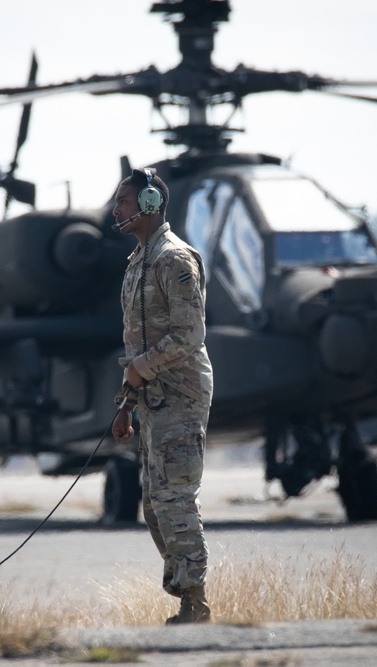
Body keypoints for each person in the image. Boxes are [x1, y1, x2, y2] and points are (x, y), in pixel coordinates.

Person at [111, 167, 214, 624]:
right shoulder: (138, 263)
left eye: (125, 200)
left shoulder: (175, 260)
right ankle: (187, 595)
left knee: (175, 500)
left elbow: (189, 335)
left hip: (181, 396)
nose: (117, 209)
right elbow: (138, 346)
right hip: (152, 400)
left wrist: (139, 372)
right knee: (154, 507)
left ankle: (196, 603)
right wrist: (126, 406)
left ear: (151, 205)